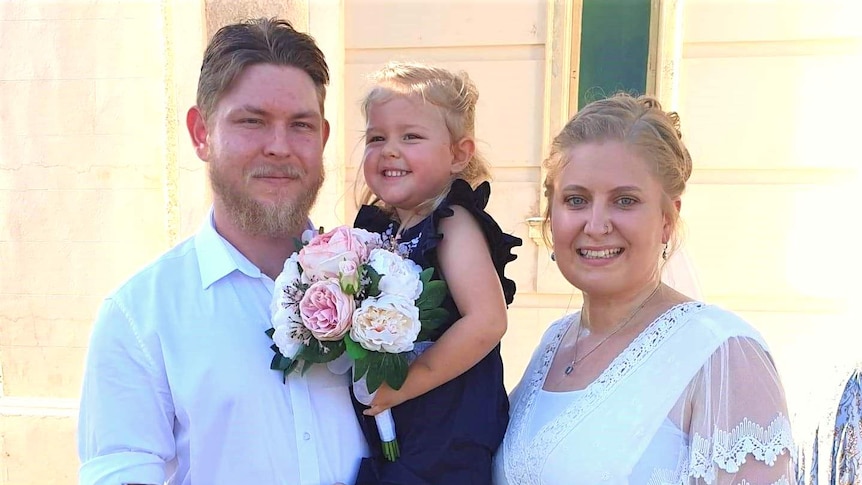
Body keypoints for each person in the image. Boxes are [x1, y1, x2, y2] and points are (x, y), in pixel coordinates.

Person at [77, 18, 367, 485]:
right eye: (252, 121)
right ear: (200, 133)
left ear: (323, 138)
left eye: (300, 125)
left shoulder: (384, 284)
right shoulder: (139, 317)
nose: (279, 147)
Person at [493, 93, 795, 484]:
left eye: (625, 200)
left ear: (668, 219)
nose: (597, 225)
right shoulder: (553, 344)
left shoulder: (721, 350)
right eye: (576, 200)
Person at [350, 61, 521, 484]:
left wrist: (407, 383)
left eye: (411, 136)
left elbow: (487, 320)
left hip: (447, 427)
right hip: (401, 424)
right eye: (377, 137)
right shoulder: (381, 227)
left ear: (458, 154)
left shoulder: (452, 222)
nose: (390, 149)